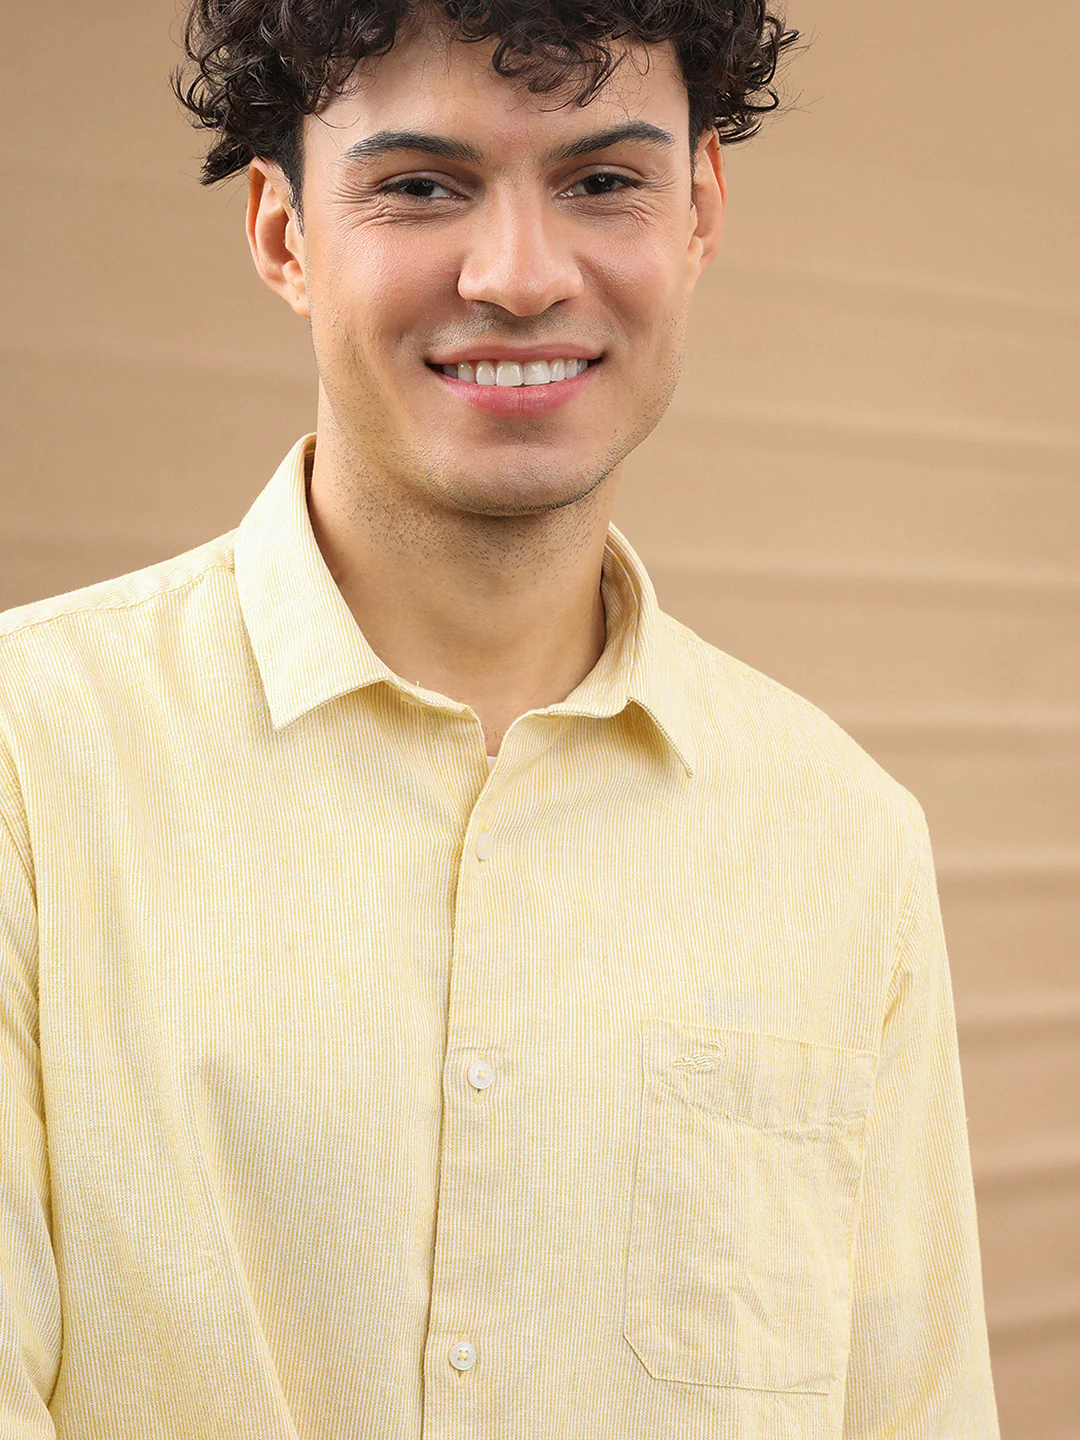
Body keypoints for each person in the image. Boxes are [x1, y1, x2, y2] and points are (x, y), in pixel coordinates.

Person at [0, 1, 1000, 1436]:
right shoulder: (29, 762)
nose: (520, 277)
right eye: (420, 186)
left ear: (700, 210)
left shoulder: (845, 841)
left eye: (602, 181)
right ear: (285, 236)